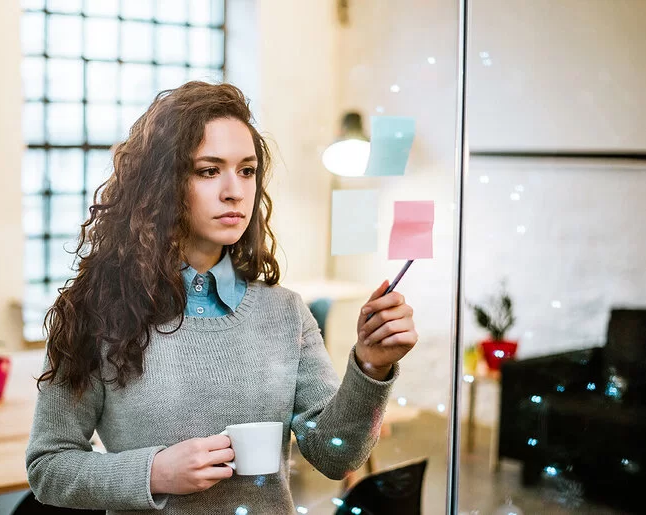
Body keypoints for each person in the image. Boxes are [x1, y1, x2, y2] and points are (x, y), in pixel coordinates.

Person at [25, 81, 418, 514]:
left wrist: (370, 365)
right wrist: (153, 472)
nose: (235, 190)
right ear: (162, 184)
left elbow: (335, 455)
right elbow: (49, 466)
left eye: (246, 170)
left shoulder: (285, 313)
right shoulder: (97, 314)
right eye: (209, 171)